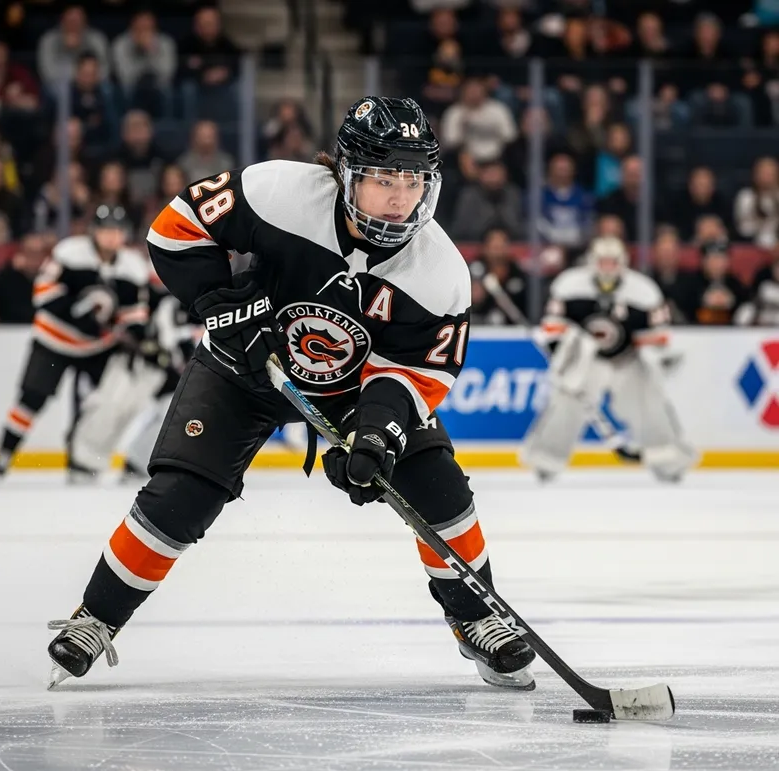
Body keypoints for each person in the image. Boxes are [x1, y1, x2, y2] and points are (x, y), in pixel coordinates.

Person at [46, 96, 537, 692]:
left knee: (436, 485)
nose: (400, 197)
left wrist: (378, 431)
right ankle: (95, 617)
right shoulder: (279, 192)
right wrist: (220, 305)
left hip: (353, 387)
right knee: (181, 494)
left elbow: (418, 373)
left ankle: (477, 617)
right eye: (384, 179)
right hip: (243, 364)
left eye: (412, 181)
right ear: (346, 174)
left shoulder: (440, 271)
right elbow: (174, 227)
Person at [0, 205, 150, 480]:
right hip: (54, 340)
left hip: (96, 348)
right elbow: (43, 293)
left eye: (116, 231)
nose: (111, 237)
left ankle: (79, 461)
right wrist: (79, 318)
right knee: (32, 398)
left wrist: (133, 334)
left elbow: (134, 313)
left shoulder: (132, 266)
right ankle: (3, 456)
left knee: (93, 406)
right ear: (94, 232)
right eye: (106, 230)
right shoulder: (70, 253)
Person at [522, 236, 695, 483]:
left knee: (649, 403)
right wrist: (562, 347)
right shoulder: (570, 286)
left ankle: (668, 459)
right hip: (586, 361)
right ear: (591, 262)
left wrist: (651, 355)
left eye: (612, 262)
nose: (607, 268)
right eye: (602, 262)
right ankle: (546, 459)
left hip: (629, 360)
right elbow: (554, 326)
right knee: (566, 401)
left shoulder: (643, 291)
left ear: (623, 262)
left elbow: (659, 336)